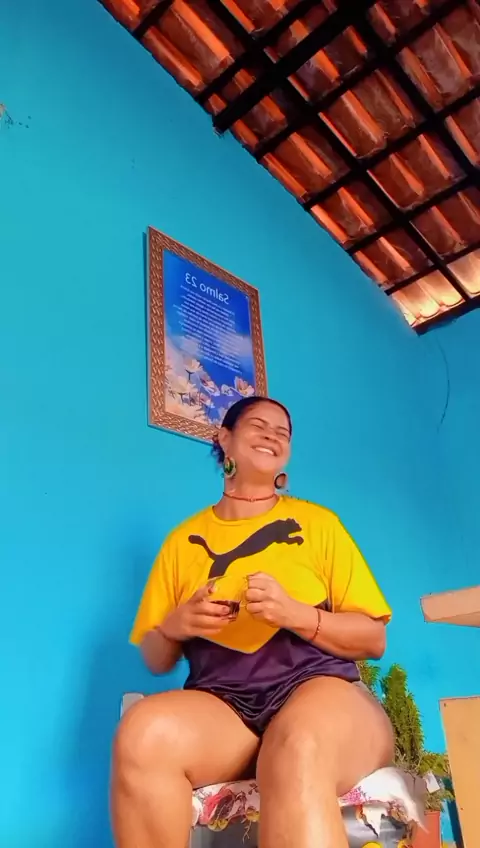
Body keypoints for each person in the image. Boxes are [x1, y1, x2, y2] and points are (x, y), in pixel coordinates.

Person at [112, 396, 394, 848]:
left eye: (283, 433)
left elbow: (374, 639)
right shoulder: (181, 542)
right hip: (226, 708)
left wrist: (297, 615)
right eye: (258, 425)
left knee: (297, 746)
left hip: (322, 692)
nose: (272, 436)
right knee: (142, 733)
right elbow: (156, 658)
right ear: (223, 439)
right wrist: (176, 626)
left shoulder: (319, 524)